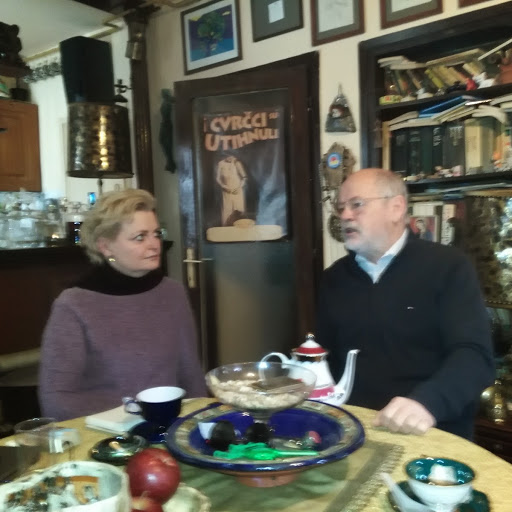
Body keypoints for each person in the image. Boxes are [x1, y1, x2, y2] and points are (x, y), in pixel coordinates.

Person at [315, 168, 494, 439]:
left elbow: (475, 356)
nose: (345, 215)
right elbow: (325, 361)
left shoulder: (448, 267)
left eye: (357, 205)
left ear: (396, 208)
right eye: (341, 208)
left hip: (432, 431)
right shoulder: (334, 278)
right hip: (354, 432)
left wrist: (427, 403)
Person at [39, 188, 206, 420]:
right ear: (105, 246)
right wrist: (135, 413)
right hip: (103, 431)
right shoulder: (74, 305)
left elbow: (191, 374)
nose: (154, 245)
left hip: (169, 425)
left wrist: (200, 421)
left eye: (156, 234)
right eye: (140, 237)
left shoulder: (172, 292)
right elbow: (56, 399)